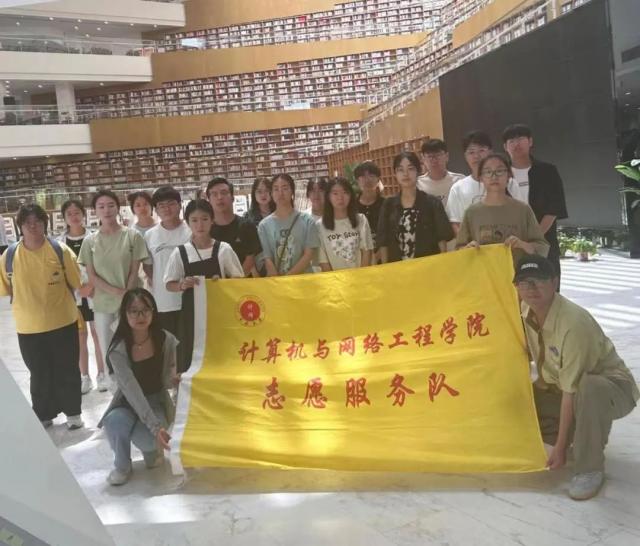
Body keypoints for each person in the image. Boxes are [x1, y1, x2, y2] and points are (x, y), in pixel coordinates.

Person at [514, 255, 639, 500]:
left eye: (539, 281)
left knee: (589, 388)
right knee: (515, 400)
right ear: (516, 287)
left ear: (554, 282)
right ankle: (579, 431)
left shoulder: (573, 324)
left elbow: (571, 391)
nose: (531, 288)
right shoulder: (525, 309)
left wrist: (560, 449)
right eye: (524, 282)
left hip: (610, 389)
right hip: (559, 385)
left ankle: (589, 468)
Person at [0, 204, 83, 429]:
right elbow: (5, 289)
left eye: (37, 221)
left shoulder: (60, 250)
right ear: (20, 226)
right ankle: (44, 414)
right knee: (38, 373)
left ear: (45, 223)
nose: (33, 226)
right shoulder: (9, 256)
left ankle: (73, 412)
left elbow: (77, 282)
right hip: (28, 328)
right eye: (27, 222)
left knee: (67, 368)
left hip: (63, 322)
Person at [99, 288, 180, 486]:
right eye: (133, 311)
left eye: (145, 310)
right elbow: (131, 391)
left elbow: (167, 379)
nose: (140, 316)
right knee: (114, 422)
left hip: (155, 401)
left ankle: (150, 452)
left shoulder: (166, 340)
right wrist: (155, 427)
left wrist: (176, 379)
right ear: (125, 315)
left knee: (148, 440)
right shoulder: (118, 350)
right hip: (127, 403)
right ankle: (122, 466)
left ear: (153, 312)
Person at [164, 200, 244, 371]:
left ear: (212, 220)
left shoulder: (223, 249)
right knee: (191, 357)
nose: (200, 225)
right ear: (187, 222)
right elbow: (169, 284)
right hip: (191, 315)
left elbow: (239, 280)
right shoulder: (180, 252)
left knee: (222, 356)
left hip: (220, 313)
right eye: (194, 220)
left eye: (204, 219)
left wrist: (223, 283)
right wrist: (182, 285)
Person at [79, 190, 149, 381]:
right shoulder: (89, 241)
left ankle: (140, 385)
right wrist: (117, 292)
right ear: (94, 211)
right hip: (103, 304)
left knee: (136, 345)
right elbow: (92, 276)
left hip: (132, 303)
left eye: (111, 205)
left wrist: (127, 295)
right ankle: (115, 387)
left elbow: (135, 270)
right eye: (101, 206)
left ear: (118, 208)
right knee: (108, 347)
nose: (106, 210)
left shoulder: (132, 236)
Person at [456, 154, 549, 265]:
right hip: (483, 273)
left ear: (508, 175)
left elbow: (542, 248)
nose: (494, 176)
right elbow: (459, 250)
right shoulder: (472, 212)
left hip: (517, 274)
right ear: (481, 178)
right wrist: (467, 249)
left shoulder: (523, 210)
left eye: (499, 171)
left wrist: (522, 245)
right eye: (488, 172)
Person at [503, 124, 568, 281]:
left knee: (547, 285)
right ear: (505, 147)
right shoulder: (501, 174)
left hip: (545, 241)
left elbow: (553, 208)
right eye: (511, 141)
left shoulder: (547, 171)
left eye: (521, 138)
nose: (516, 143)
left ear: (530, 141)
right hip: (510, 245)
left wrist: (533, 237)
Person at [58, 200, 107, 394]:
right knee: (80, 336)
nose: (74, 216)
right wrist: (76, 289)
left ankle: (102, 373)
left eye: (77, 212)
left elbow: (103, 265)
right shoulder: (59, 243)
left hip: (95, 293)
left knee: (97, 333)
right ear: (64, 218)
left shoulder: (95, 237)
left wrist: (91, 285)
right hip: (73, 297)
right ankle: (84, 376)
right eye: (69, 213)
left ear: (84, 215)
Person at [377, 151, 454, 262]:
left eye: (410, 169)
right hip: (397, 267)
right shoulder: (388, 205)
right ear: (395, 174)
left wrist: (442, 264)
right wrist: (385, 267)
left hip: (427, 265)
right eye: (400, 170)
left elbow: (441, 238)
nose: (405, 174)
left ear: (419, 171)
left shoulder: (432, 203)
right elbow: (383, 242)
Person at [446, 131, 525, 234]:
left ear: (491, 152)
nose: (476, 156)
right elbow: (455, 223)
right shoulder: (458, 188)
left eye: (481, 150)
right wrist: (466, 241)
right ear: (465, 156)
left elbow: (521, 215)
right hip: (473, 243)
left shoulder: (509, 183)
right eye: (471, 152)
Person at [143, 186, 191, 340]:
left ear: (180, 205)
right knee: (168, 345)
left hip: (189, 298)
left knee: (191, 344)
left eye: (171, 203)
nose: (166, 209)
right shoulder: (150, 235)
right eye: (161, 205)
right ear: (156, 210)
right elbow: (148, 266)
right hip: (163, 301)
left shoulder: (191, 231)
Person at [257, 174, 320, 276]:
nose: (280, 193)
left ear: (292, 192)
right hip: (277, 281)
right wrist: (279, 280)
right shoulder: (264, 226)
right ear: (271, 193)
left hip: (304, 280)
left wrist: (288, 278)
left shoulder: (308, 221)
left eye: (285, 188)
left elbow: (308, 255)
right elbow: (267, 257)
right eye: (276, 189)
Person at [206, 177, 262, 277]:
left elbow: (250, 259)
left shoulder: (247, 226)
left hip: (243, 283)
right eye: (214, 194)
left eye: (224, 193)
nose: (219, 197)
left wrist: (234, 282)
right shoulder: (206, 231)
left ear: (232, 198)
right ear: (209, 200)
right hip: (215, 283)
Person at [317, 177, 373, 271]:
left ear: (351, 195)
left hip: (360, 277)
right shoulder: (319, 226)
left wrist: (361, 276)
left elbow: (366, 252)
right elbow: (323, 261)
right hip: (334, 279)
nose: (340, 197)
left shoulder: (361, 220)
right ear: (328, 197)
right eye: (335, 193)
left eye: (345, 192)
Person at [417, 138, 465, 207]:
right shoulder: (418, 184)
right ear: (423, 159)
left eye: (438, 155)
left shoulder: (459, 180)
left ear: (447, 156)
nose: (434, 160)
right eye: (430, 156)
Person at [354, 161, 385, 263]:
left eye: (371, 176)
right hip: (358, 261)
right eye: (363, 176)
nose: (367, 180)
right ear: (357, 181)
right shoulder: (351, 206)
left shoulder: (386, 205)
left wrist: (377, 256)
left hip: (383, 259)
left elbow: (391, 234)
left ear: (378, 179)